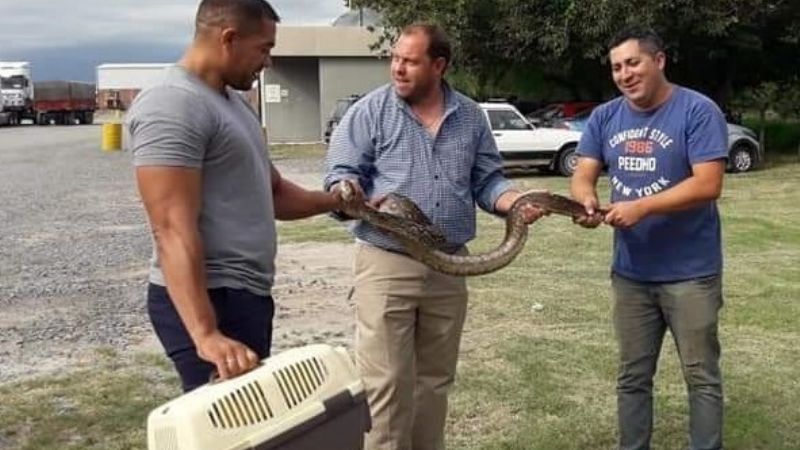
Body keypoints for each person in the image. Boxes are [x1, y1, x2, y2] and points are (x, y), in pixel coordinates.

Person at [324, 23, 546, 450]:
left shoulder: (470, 117)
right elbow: (341, 176)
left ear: (439, 65)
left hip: (450, 264)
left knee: (434, 384)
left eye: (410, 61)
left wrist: (515, 202)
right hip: (388, 261)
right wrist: (350, 193)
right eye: (395, 58)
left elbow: (488, 182)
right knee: (385, 385)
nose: (398, 68)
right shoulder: (371, 111)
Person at [125, 0, 351, 392]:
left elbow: (274, 192)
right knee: (227, 427)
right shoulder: (173, 104)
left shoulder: (233, 105)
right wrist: (206, 332)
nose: (268, 62)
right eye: (264, 48)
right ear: (229, 38)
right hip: (210, 297)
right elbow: (171, 229)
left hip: (245, 295)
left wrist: (339, 202)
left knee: (251, 425)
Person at [570, 26, 727, 450]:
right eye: (617, 67)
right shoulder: (605, 117)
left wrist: (641, 207)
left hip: (691, 273)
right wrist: (586, 201)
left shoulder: (697, 111)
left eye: (633, 63)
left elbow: (707, 184)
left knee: (701, 376)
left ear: (659, 61)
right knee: (633, 376)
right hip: (631, 273)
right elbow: (584, 172)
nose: (624, 74)